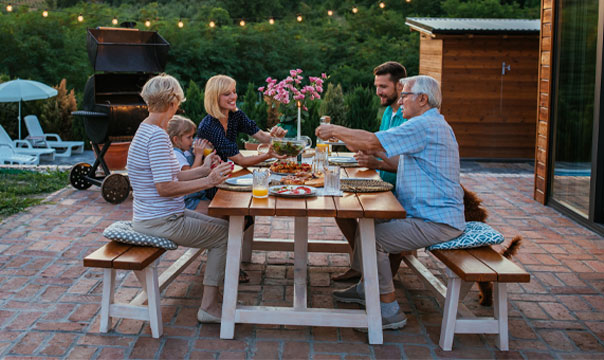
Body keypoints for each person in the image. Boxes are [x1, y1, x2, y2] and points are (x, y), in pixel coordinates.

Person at [316, 75, 465, 330]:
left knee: (372, 237)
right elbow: (389, 155)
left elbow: (373, 141)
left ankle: (389, 308)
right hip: (424, 215)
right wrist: (370, 154)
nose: (401, 99)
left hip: (436, 221)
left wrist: (335, 131)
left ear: (422, 99)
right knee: (364, 221)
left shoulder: (425, 125)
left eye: (405, 94)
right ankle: (367, 288)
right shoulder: (428, 124)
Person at [128, 73, 234, 323]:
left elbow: (175, 173)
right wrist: (209, 182)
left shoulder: (148, 130)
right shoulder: (156, 136)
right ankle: (208, 307)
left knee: (227, 228)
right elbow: (165, 187)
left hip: (155, 216)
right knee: (226, 236)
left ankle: (211, 302)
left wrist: (205, 168)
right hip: (161, 220)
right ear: (174, 101)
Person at [334, 61, 408, 282]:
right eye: (377, 86)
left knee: (365, 217)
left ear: (400, 86)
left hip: (397, 190)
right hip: (379, 183)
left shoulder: (408, 117)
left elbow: (403, 164)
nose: (378, 92)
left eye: (383, 87)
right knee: (340, 207)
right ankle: (361, 262)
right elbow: (376, 145)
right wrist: (349, 142)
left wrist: (375, 163)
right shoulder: (388, 112)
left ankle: (380, 279)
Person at [197, 74, 287, 168]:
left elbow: (261, 135)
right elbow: (241, 160)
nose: (233, 97)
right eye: (227, 94)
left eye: (234, 92)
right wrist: (268, 155)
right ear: (214, 97)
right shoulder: (209, 126)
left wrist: (277, 137)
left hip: (224, 170)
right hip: (207, 175)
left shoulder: (235, 115)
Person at [167, 115, 213, 212]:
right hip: (188, 201)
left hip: (197, 195)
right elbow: (190, 175)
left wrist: (207, 150)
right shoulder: (176, 154)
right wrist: (199, 155)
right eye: (189, 137)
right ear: (176, 140)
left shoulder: (186, 151)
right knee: (218, 211)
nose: (192, 140)